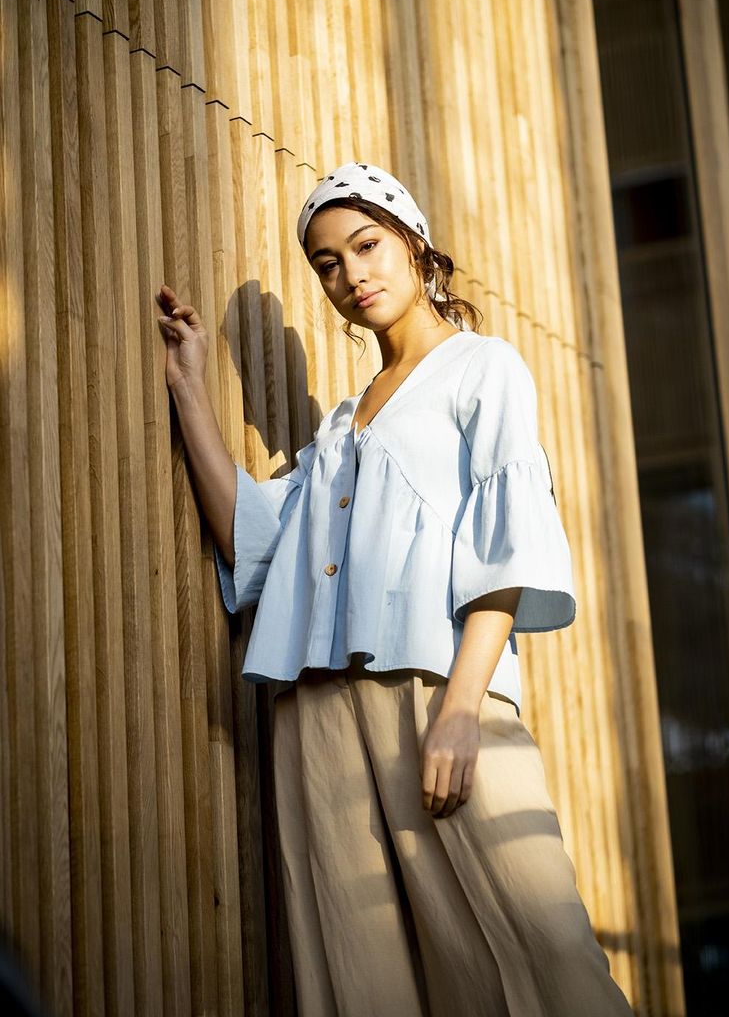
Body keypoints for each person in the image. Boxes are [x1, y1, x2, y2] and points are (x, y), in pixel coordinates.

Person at [156, 161, 635, 1016]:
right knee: (356, 972)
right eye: (327, 264)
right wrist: (190, 385)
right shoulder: (339, 429)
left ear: (413, 244)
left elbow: (509, 544)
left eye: (366, 246)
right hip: (315, 721)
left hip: (437, 696)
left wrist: (462, 705)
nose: (351, 276)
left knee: (542, 942)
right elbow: (253, 542)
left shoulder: (481, 369)